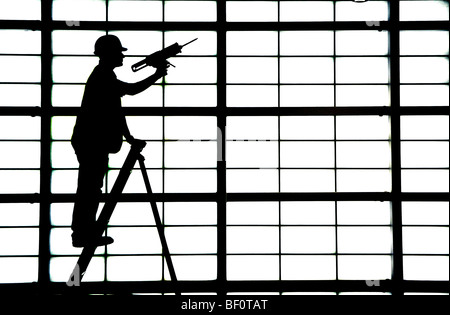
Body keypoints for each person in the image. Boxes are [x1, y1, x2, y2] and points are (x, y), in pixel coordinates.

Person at [71, 34, 168, 248]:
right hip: (91, 142)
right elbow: (131, 91)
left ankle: (83, 232)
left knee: (91, 188)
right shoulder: (103, 77)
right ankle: (81, 233)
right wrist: (158, 74)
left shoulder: (103, 76)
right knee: (90, 189)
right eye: (118, 52)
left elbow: (116, 111)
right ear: (110, 54)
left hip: (90, 141)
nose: (122, 56)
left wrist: (128, 136)